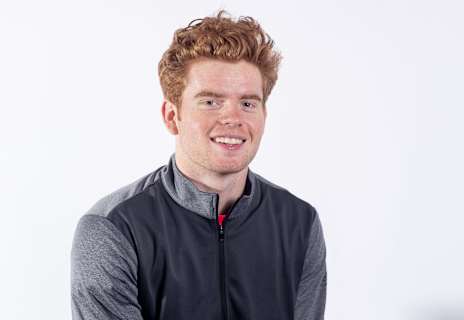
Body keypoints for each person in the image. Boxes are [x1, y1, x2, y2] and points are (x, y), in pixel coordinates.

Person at [71, 10, 327, 320]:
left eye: (248, 103)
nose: (233, 118)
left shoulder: (299, 224)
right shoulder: (113, 228)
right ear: (171, 116)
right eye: (210, 101)